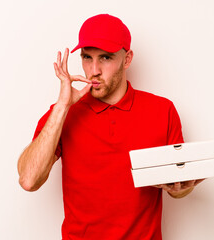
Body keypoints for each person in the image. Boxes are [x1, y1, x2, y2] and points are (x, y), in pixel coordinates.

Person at [17, 14, 203, 240]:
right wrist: (62, 106)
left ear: (127, 59)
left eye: (105, 58)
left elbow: (180, 187)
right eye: (87, 57)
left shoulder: (162, 111)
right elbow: (28, 180)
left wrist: (182, 189)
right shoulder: (63, 113)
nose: (93, 70)